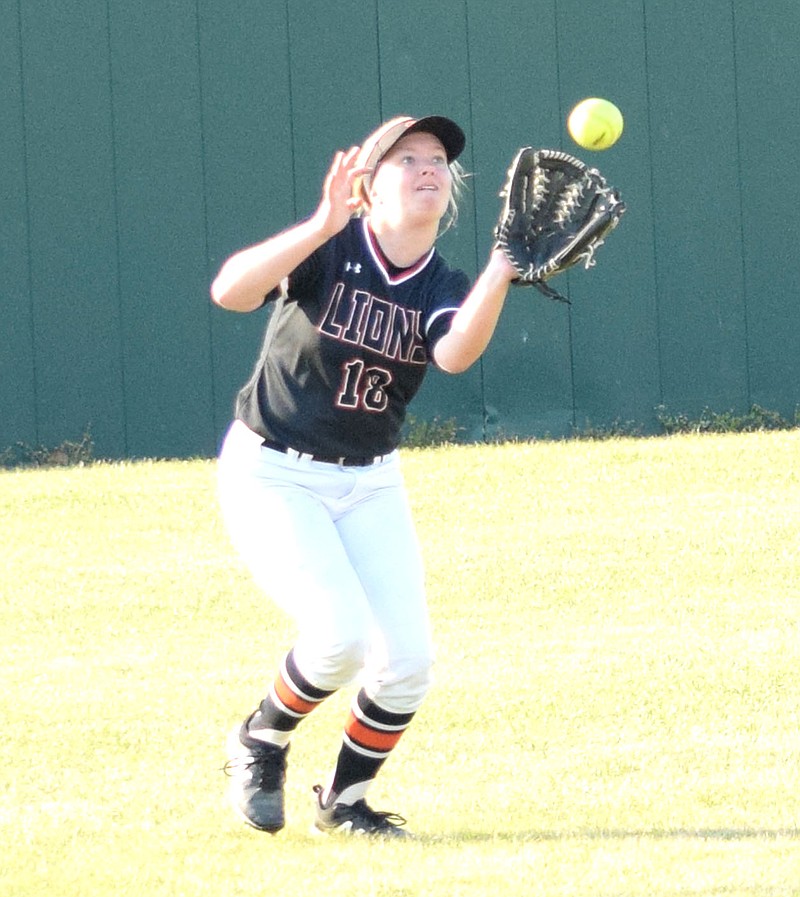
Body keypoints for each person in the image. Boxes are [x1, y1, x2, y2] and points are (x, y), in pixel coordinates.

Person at [212, 115, 517, 838]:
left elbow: (453, 355)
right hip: (274, 470)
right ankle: (261, 736)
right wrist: (320, 223)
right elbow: (229, 290)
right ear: (366, 184)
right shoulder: (332, 247)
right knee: (339, 636)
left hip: (370, 481)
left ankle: (343, 802)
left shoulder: (444, 282)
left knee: (407, 661)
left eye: (438, 159)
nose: (428, 168)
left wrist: (503, 267)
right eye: (405, 158)